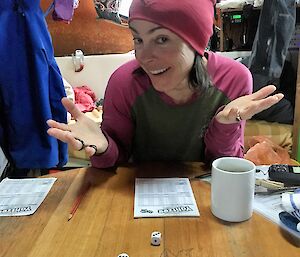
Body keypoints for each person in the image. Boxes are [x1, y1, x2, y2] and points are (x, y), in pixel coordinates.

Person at [47, 0, 283, 168]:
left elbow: (222, 165)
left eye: (161, 39)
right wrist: (103, 146)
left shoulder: (234, 79)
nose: (144, 56)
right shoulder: (123, 82)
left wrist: (223, 124)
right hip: (138, 197)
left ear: (197, 42)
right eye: (138, 39)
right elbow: (116, 159)